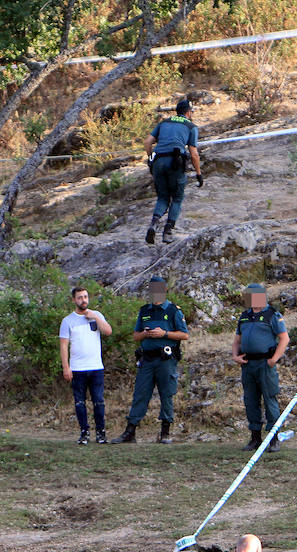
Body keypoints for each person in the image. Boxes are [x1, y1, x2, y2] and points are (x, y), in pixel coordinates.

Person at [110, 276, 189, 444]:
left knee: (166, 394)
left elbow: (184, 335)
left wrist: (164, 334)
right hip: (146, 359)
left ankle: (165, 432)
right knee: (140, 393)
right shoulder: (144, 310)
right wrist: (146, 334)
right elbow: (135, 335)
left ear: (165, 290)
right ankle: (130, 431)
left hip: (166, 359)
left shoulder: (174, 311)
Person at [232, 282, 290, 453]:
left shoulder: (272, 315)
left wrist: (273, 360)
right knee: (250, 401)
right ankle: (255, 437)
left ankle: (273, 439)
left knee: (270, 399)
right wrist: (235, 356)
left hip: (265, 364)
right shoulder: (244, 316)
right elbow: (237, 340)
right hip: (248, 365)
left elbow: (284, 339)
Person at [143, 98, 204, 245]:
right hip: (175, 162)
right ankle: (167, 232)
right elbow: (194, 153)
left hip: (158, 161)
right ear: (189, 112)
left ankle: (154, 224)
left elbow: (147, 142)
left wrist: (151, 158)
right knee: (177, 197)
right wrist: (199, 173)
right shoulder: (191, 126)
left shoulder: (164, 122)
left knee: (163, 197)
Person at [58, 286, 113, 445]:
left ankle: (101, 433)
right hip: (78, 368)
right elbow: (63, 346)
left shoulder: (96, 315)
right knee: (80, 402)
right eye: (80, 297)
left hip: (96, 367)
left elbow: (108, 331)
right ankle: (84, 433)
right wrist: (66, 367)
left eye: (85, 297)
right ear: (74, 300)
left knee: (99, 401)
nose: (84, 300)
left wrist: (95, 317)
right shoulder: (67, 321)